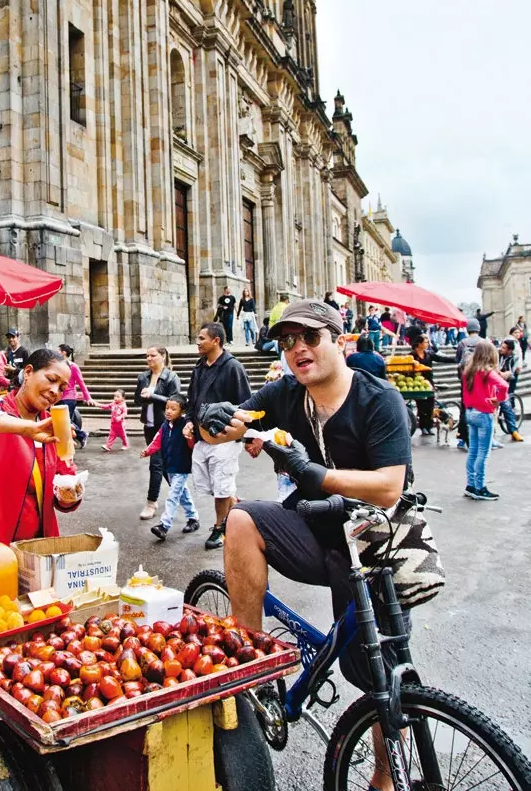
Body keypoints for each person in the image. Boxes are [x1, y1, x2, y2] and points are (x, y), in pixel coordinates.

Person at [197, 299, 412, 791]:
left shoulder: (378, 399)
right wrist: (218, 417)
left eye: (310, 338)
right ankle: (249, 663)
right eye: (287, 342)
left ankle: (383, 775)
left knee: (380, 668)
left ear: (339, 339)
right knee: (242, 519)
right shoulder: (287, 393)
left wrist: (316, 474)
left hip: (373, 540)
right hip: (316, 528)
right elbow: (240, 416)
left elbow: (389, 486)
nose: (298, 350)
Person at [0, 349, 83, 556]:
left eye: (62, 388)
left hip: (36, 549)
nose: (55, 391)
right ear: (28, 372)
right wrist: (26, 428)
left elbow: (62, 487)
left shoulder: (53, 426)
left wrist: (70, 494)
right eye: (51, 379)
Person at [184, 322, 251, 550]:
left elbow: (246, 404)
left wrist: (249, 438)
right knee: (212, 485)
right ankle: (236, 507)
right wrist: (188, 422)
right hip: (203, 437)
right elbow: (192, 398)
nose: (197, 342)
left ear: (216, 341)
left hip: (226, 437)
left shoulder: (233, 367)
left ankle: (220, 529)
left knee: (221, 486)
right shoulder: (199, 367)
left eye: (202, 338)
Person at [141, 394, 200, 541]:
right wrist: (148, 451)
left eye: (173, 409)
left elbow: (193, 445)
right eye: (167, 408)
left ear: (182, 411)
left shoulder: (185, 426)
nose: (168, 411)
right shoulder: (165, 425)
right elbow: (157, 440)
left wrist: (190, 437)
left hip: (181, 465)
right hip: (169, 465)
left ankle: (164, 525)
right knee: (182, 493)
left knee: (173, 496)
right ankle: (193, 518)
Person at [134, 346, 181, 520]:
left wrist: (153, 396)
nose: (149, 359)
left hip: (165, 426)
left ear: (162, 356)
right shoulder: (143, 377)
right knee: (164, 466)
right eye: (147, 356)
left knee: (156, 463)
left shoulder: (171, 377)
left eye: (153, 355)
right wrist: (142, 394)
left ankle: (151, 503)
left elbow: (176, 403)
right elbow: (136, 400)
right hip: (149, 425)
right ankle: (182, 494)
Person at [462, 340, 508, 501]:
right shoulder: (487, 372)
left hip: (470, 412)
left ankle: (471, 485)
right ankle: (480, 487)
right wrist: (498, 399)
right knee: (483, 452)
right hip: (484, 413)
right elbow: (504, 386)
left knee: (473, 451)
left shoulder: (468, 371)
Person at [410, 334, 456, 435]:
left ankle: (429, 426)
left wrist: (455, 359)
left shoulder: (429, 354)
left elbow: (441, 359)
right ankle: (423, 427)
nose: (428, 344)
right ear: (419, 344)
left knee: (430, 405)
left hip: (429, 383)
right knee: (421, 406)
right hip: (418, 383)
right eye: (426, 342)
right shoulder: (412, 355)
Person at [58, 344, 94, 449]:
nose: (56, 353)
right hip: (59, 397)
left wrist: (88, 397)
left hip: (69, 397)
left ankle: (81, 435)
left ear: (63, 352)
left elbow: (81, 382)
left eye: (58, 351)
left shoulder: (73, 366)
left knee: (64, 420)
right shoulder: (58, 366)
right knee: (65, 420)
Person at [455, 318, 481, 449]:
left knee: (464, 408)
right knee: (479, 407)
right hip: (481, 380)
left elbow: (458, 360)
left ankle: (463, 436)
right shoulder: (484, 342)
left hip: (466, 380)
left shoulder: (462, 343)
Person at [498, 340, 523, 442]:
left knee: (505, 404)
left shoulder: (513, 358)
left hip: (502, 383)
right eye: (501, 347)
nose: (501, 349)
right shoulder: (496, 353)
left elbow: (511, 371)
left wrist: (506, 374)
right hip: (492, 380)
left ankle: (513, 431)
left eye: (504, 348)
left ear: (509, 350)